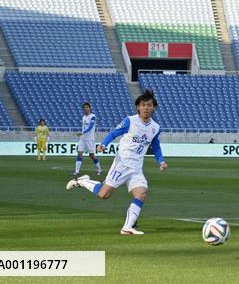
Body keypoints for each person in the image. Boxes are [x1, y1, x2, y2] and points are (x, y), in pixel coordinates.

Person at [66, 90, 166, 235]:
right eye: (143, 105)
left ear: (154, 108)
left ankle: (127, 228)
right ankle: (82, 181)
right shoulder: (130, 121)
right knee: (103, 194)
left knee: (141, 194)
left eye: (149, 105)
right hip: (122, 164)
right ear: (138, 107)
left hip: (136, 168)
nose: (146, 108)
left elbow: (155, 146)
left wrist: (161, 161)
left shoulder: (155, 127)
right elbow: (114, 133)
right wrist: (104, 144)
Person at [73, 102, 102, 177]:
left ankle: (99, 169)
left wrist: (82, 132)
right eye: (84, 108)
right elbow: (84, 127)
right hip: (82, 139)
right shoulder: (83, 117)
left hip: (89, 139)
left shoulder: (93, 116)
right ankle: (76, 171)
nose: (85, 109)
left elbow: (90, 127)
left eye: (87, 107)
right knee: (79, 154)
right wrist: (82, 134)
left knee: (92, 155)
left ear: (90, 108)